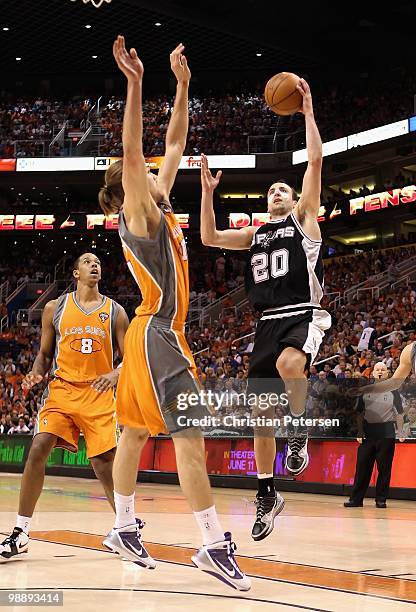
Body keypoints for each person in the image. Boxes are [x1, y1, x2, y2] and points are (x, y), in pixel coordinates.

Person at [97, 36, 250, 591]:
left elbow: (174, 140)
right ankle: (212, 543)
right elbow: (138, 150)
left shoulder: (157, 198)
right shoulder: (138, 209)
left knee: (134, 432)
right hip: (159, 330)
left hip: (145, 333)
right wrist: (136, 84)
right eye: (143, 171)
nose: (161, 171)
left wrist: (184, 85)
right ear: (128, 186)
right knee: (191, 434)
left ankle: (120, 527)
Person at [200, 79, 331, 541]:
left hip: (303, 312)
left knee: (290, 363)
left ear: (296, 200)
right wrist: (207, 193)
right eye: (272, 189)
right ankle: (266, 493)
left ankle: (301, 429)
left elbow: (314, 160)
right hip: (265, 323)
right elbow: (210, 238)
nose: (277, 191)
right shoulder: (256, 234)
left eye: (283, 188)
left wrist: (308, 110)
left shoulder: (303, 219)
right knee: (260, 417)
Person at [0, 253, 129, 559]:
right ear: (75, 272)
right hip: (62, 390)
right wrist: (34, 372)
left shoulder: (116, 312)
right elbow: (45, 355)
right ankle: (20, 532)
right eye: (87, 261)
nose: (94, 264)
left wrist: (113, 374)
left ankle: (125, 528)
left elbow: (130, 359)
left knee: (103, 463)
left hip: (98, 393)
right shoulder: (54, 308)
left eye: (97, 261)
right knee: (38, 447)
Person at [344, 362, 404, 508]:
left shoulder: (394, 391)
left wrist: (401, 431)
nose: (380, 371)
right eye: (377, 369)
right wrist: (359, 430)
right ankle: (356, 499)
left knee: (384, 469)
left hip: (387, 432)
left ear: (388, 373)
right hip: (368, 432)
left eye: (383, 369)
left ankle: (381, 499)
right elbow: (359, 413)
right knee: (362, 468)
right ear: (372, 373)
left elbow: (400, 413)